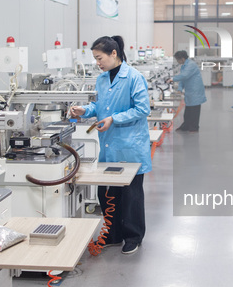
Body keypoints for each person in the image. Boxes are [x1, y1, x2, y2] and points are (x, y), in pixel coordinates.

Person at [69, 36, 151, 255]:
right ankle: (112, 234)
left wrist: (114, 119)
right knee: (108, 194)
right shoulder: (102, 79)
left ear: (113, 54)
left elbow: (143, 109)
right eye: (95, 59)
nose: (98, 62)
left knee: (131, 196)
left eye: (100, 58)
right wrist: (85, 110)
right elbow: (101, 106)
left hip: (129, 146)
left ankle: (133, 237)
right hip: (109, 146)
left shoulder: (134, 77)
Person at [170, 50, 207, 132]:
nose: (177, 61)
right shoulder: (184, 65)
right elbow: (183, 78)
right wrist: (179, 88)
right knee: (188, 110)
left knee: (195, 110)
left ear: (182, 59)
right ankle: (186, 125)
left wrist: (172, 79)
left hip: (195, 89)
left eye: (177, 60)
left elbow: (184, 75)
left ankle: (194, 127)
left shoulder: (191, 65)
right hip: (190, 90)